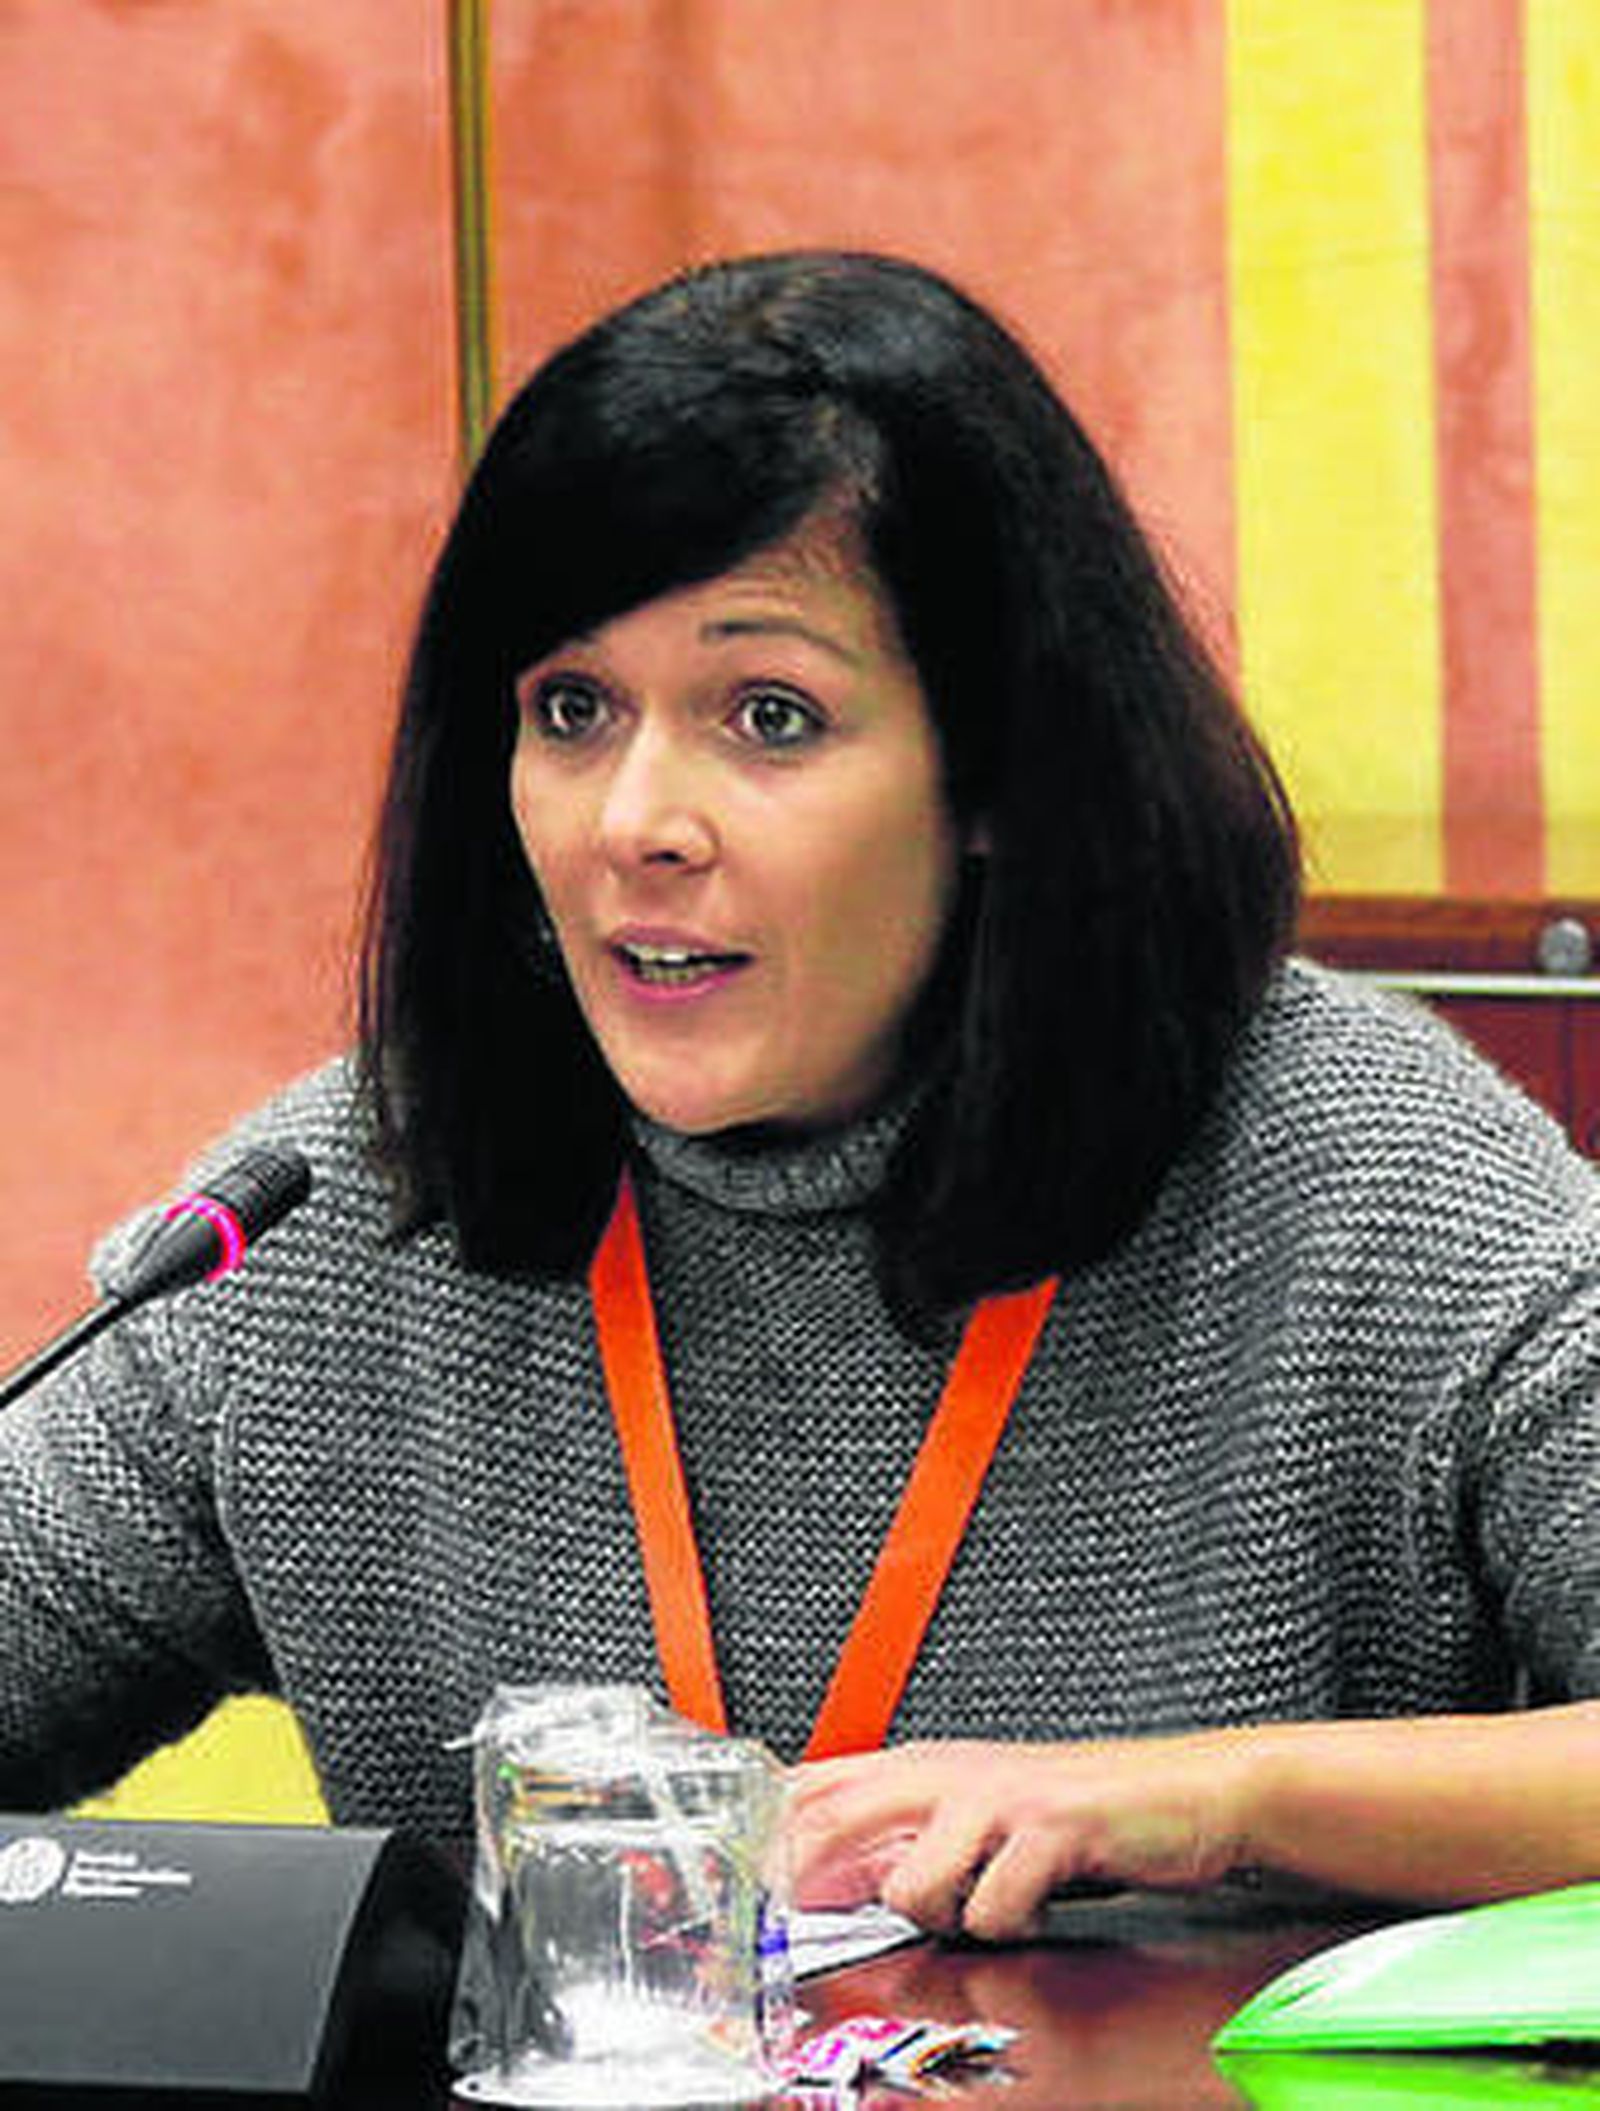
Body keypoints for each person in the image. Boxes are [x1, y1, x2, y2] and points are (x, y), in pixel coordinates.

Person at [4, 251, 1600, 1944]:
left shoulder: (1364, 1179)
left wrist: (1225, 1795)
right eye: (570, 710)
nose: (636, 822)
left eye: (768, 717)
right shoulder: (337, 1211)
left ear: (994, 772)